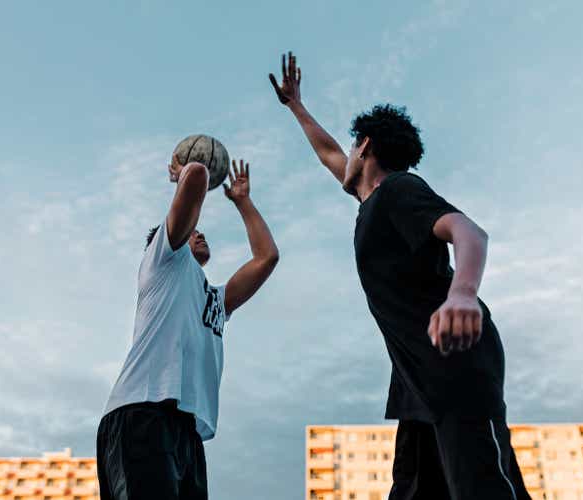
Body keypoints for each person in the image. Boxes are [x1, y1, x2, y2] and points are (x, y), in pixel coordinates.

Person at [270, 52, 530, 500]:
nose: (344, 154)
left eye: (353, 146)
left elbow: (468, 231)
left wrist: (463, 294)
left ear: (366, 146)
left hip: (456, 358)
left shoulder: (399, 189)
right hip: (417, 384)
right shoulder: (371, 201)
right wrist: (296, 106)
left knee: (482, 487)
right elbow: (329, 153)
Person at [96, 156, 279, 500]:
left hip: (185, 428)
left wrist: (243, 202)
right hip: (141, 411)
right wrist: (183, 177)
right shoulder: (163, 260)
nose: (200, 232)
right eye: (193, 230)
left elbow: (266, 257)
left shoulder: (214, 299)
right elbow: (197, 174)